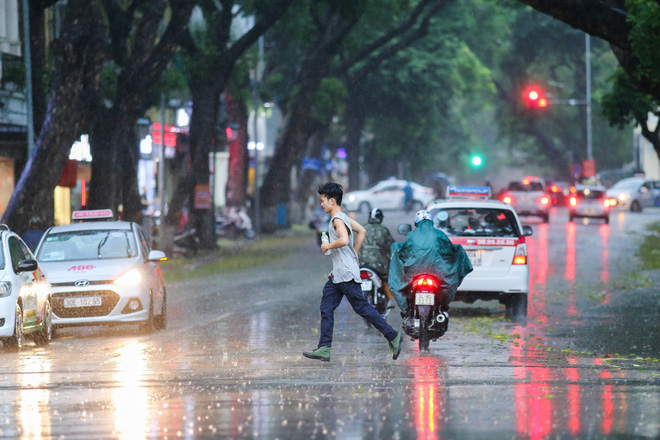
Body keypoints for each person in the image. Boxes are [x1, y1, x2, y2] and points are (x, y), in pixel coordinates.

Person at [303, 182, 404, 362]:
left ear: (332, 201)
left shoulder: (337, 220)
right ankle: (324, 348)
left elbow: (342, 240)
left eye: (323, 200)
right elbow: (362, 231)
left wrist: (328, 245)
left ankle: (393, 335)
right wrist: (354, 254)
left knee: (362, 308)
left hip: (345, 274)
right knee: (327, 307)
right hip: (339, 273)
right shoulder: (344, 217)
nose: (321, 204)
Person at [389, 210, 473, 327]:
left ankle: (408, 310)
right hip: (439, 272)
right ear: (431, 222)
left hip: (414, 272)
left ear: (417, 223)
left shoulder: (412, 235)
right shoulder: (439, 234)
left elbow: (405, 251)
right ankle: (442, 307)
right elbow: (449, 249)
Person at [358, 208, 396, 309]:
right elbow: (392, 246)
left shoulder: (362, 229)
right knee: (387, 278)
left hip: (362, 264)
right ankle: (390, 298)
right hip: (380, 265)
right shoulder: (383, 230)